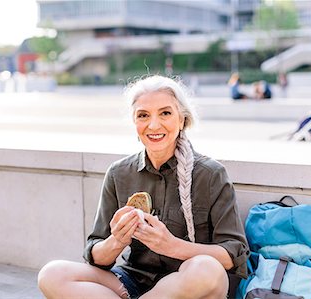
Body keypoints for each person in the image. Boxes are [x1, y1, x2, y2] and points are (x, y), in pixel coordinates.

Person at [37, 75, 250, 299]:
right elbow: (96, 255)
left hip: (187, 284)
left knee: (207, 269)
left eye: (165, 113)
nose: (154, 125)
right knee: (52, 274)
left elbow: (233, 254)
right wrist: (117, 240)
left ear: (182, 120)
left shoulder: (210, 174)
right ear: (135, 122)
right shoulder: (119, 173)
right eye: (143, 115)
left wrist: (171, 246)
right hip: (131, 282)